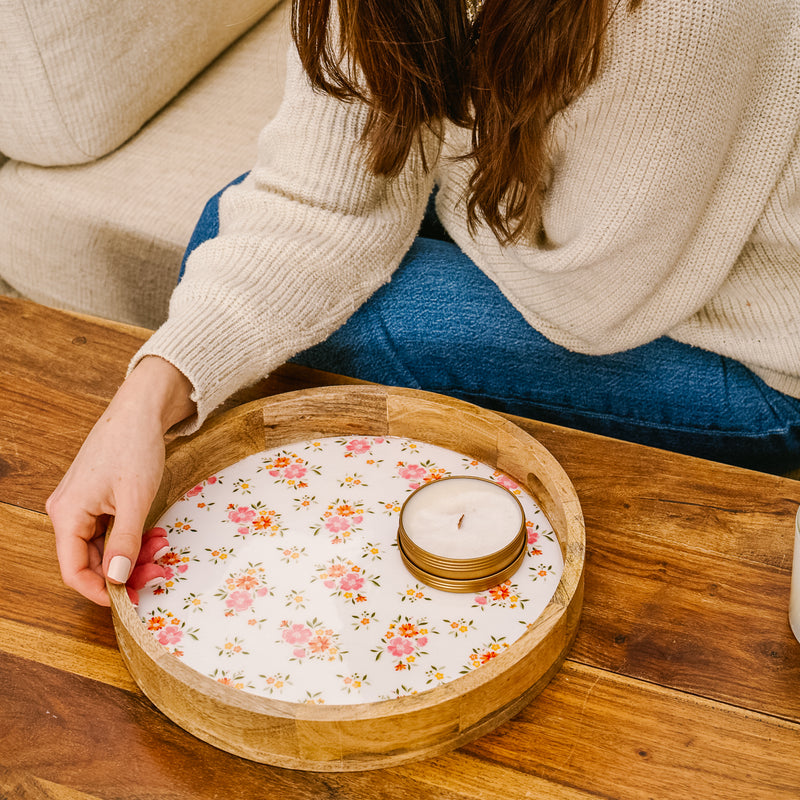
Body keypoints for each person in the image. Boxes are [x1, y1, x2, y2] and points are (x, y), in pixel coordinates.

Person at [47, 0, 800, 605]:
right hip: (593, 249)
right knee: (231, 247)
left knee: (327, 312)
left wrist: (423, 155)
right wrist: (142, 400)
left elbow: (598, 297)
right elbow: (319, 189)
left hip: (745, 342)